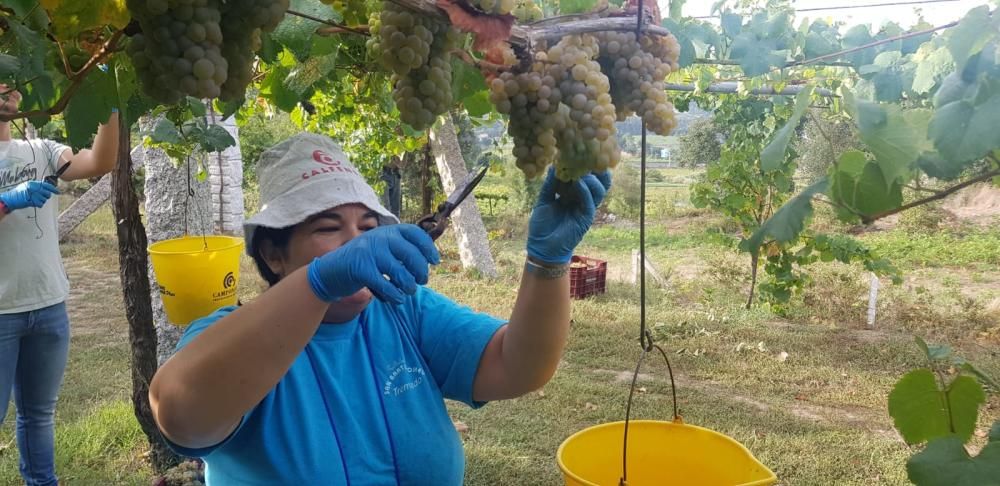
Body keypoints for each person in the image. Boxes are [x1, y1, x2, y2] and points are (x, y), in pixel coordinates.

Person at [148, 132, 611, 484]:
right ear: (273, 255)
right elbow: (180, 413)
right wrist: (318, 283)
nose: (355, 242)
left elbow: (519, 366)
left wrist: (546, 263)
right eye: (329, 229)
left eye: (368, 226)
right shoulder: (231, 335)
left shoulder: (403, 310)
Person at [0, 84, 119, 486]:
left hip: (49, 305)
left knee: (39, 414)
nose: (4, 84)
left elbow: (101, 161)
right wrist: (7, 200)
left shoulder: (43, 151)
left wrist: (109, 100)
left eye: (9, 76)